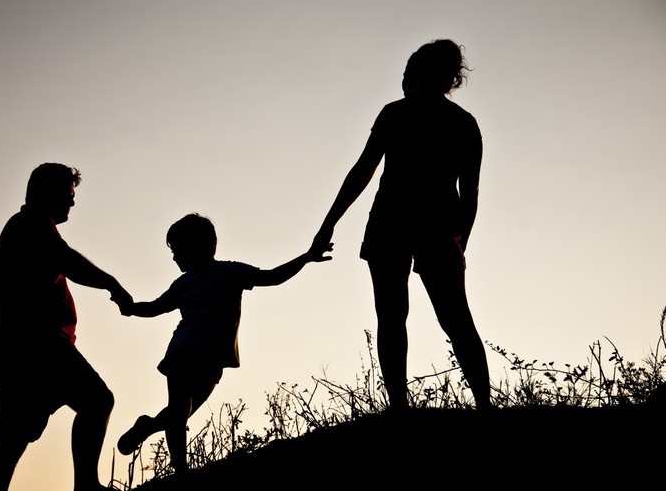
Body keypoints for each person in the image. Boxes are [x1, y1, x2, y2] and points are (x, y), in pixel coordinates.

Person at [310, 39, 493, 411]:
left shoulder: (397, 114)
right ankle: (483, 406)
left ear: (419, 75)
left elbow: (362, 171)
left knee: (394, 318)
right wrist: (461, 241)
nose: (404, 81)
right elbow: (469, 194)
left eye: (407, 74)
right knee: (454, 318)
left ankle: (400, 407)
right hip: (431, 228)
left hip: (395, 225)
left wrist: (329, 223)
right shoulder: (462, 124)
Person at [114, 213, 331, 473]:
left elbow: (272, 277)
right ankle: (180, 469)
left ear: (208, 245)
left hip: (213, 358)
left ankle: (147, 426)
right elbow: (155, 308)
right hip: (183, 353)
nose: (174, 258)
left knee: (181, 412)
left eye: (178, 250)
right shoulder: (183, 284)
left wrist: (306, 257)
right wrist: (131, 308)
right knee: (180, 410)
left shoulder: (231, 272)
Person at [0, 162, 133, 491]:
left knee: (9, 444)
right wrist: (112, 284)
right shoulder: (31, 224)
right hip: (37, 343)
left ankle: (85, 485)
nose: (73, 203)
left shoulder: (28, 227)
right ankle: (87, 486)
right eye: (69, 195)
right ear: (48, 194)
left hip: (20, 345)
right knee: (97, 401)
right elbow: (69, 261)